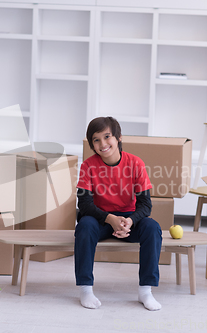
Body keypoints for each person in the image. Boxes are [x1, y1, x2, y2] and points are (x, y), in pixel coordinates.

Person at [75, 116, 163, 311]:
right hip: (99, 220)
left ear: (118, 137)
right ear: (92, 144)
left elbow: (145, 205)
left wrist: (129, 221)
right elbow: (84, 204)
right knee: (85, 225)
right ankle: (85, 290)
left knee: (152, 227)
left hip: (127, 219)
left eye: (107, 137)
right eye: (96, 140)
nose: (103, 144)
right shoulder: (87, 166)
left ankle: (145, 291)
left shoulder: (136, 163)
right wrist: (110, 219)